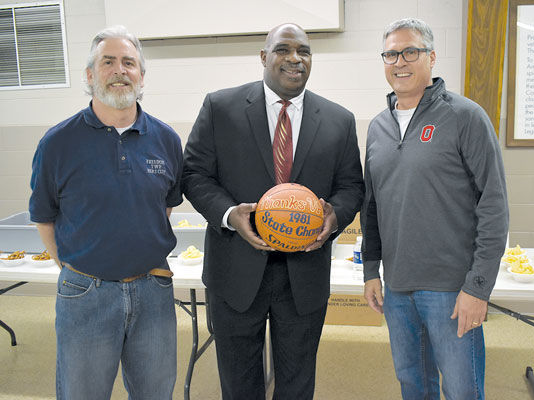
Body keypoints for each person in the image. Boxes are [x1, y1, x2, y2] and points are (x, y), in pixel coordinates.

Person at [182, 23, 364, 400]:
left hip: (304, 275)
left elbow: (351, 187)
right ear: (264, 57)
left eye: (304, 51)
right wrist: (231, 215)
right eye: (283, 49)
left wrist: (333, 219)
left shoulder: (338, 120)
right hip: (236, 269)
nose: (295, 58)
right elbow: (195, 174)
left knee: (297, 383)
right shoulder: (221, 108)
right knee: (238, 382)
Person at [29, 26, 183, 400]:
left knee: (156, 394)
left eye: (129, 62)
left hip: (154, 292)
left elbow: (162, 207)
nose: (120, 70)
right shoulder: (57, 143)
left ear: (142, 76)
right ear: (89, 75)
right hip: (86, 294)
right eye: (108, 62)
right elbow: (44, 219)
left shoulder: (166, 140)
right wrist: (77, 269)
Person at [361, 18, 509, 400]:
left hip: (451, 289)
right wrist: (370, 270)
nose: (400, 61)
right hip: (397, 288)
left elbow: (493, 204)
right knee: (413, 384)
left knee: (461, 390)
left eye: (411, 51)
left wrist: (478, 287)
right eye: (391, 54)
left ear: (431, 57)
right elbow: (372, 204)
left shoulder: (465, 117)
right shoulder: (377, 127)